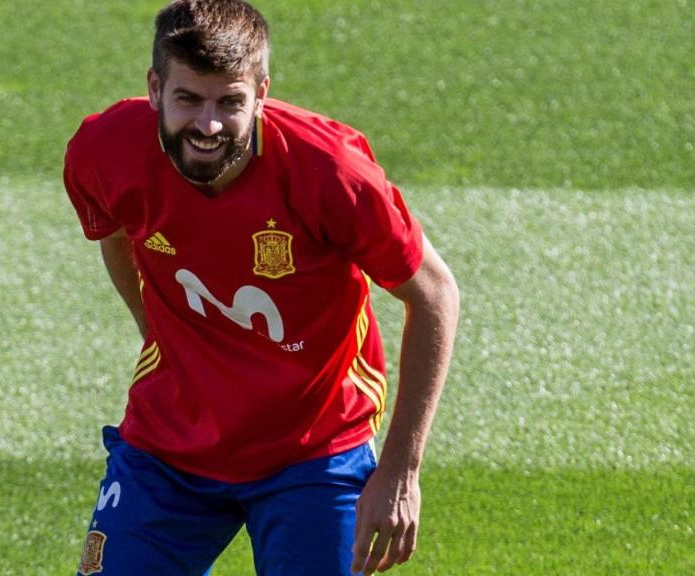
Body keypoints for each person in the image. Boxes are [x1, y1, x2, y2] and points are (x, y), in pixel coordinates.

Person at [62, 1, 459, 574]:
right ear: (154, 88)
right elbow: (115, 229)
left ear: (262, 93)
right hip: (168, 446)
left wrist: (400, 470)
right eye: (188, 99)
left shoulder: (332, 172)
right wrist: (158, 335)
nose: (208, 125)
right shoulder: (103, 150)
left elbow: (435, 294)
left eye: (230, 102)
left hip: (315, 451)